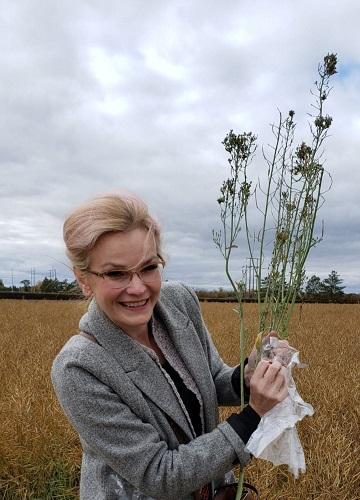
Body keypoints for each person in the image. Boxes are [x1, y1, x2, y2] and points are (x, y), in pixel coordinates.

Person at [51, 193, 287, 500]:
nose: (137, 288)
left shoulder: (179, 302)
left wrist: (248, 374)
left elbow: (211, 379)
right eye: (116, 273)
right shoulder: (78, 367)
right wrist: (254, 416)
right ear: (83, 279)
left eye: (148, 267)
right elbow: (160, 475)